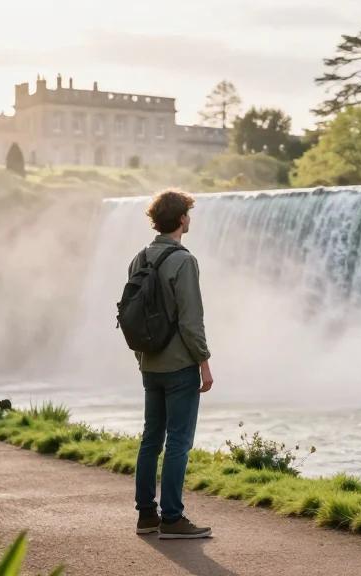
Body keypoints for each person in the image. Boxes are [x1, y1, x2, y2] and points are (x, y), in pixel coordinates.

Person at [130, 189, 214, 539]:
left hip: (150, 364)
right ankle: (173, 519)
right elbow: (190, 320)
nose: (189, 219)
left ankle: (147, 515)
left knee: (151, 439)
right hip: (180, 365)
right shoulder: (184, 261)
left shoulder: (140, 258)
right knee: (179, 442)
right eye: (188, 215)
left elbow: (132, 313)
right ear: (181, 219)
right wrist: (204, 363)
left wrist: (142, 358)